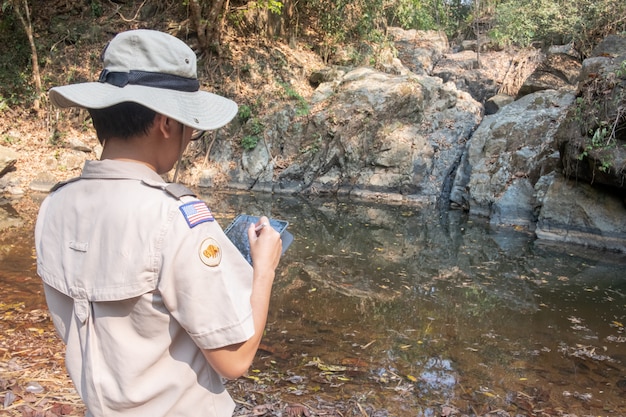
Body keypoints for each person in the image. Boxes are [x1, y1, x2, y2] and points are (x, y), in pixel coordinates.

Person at [35, 29, 282, 417]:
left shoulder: (53, 205)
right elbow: (235, 360)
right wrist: (264, 269)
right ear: (166, 122)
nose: (188, 139)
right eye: (191, 128)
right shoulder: (176, 218)